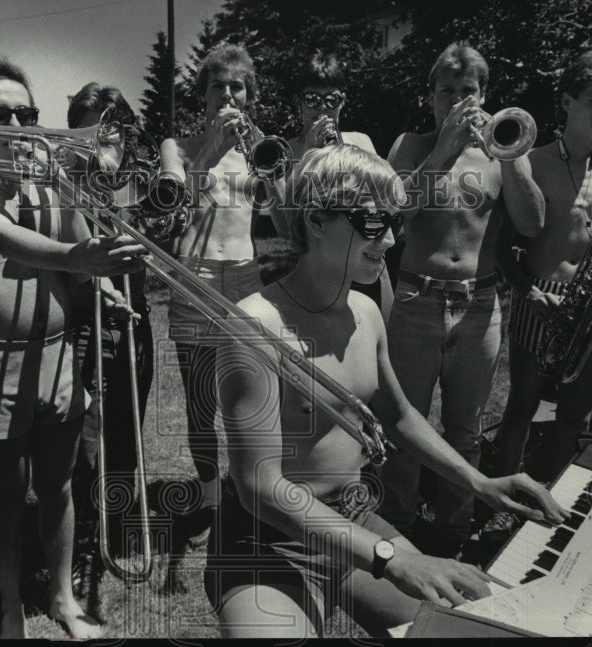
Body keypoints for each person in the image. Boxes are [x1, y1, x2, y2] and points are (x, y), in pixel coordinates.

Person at [208, 144, 567, 638]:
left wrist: (478, 482)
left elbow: (398, 415)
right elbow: (261, 490)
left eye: (393, 223)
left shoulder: (367, 312)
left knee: (482, 631)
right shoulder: (253, 326)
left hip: (352, 520)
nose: (392, 239)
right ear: (316, 220)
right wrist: (392, 558)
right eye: (375, 224)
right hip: (266, 543)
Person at [0, 59, 144, 639]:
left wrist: (98, 282)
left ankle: (64, 598)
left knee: (58, 487)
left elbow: (76, 243)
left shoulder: (49, 181)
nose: (20, 122)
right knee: (4, 497)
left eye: (28, 113)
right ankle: (11, 605)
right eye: (1, 113)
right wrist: (74, 260)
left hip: (59, 356)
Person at [379, 42, 545, 557]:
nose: (456, 100)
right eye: (446, 91)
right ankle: (398, 527)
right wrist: (444, 150)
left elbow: (532, 222)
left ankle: (452, 531)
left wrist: (510, 156)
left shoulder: (502, 152)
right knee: (402, 422)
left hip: (479, 305)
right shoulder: (411, 144)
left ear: (484, 96)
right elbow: (392, 211)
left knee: (465, 430)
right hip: (415, 298)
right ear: (430, 96)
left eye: (467, 91)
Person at [488, 49, 592, 535]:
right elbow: (500, 249)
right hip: (541, 297)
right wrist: (530, 295)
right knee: (518, 411)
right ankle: (500, 507)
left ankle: (548, 513)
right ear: (567, 101)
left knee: (574, 420)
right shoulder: (530, 162)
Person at [159, 43, 268, 544]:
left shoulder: (260, 146)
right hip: (195, 273)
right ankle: (206, 497)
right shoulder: (176, 146)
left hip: (245, 275)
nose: (227, 94)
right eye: (218, 85)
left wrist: (267, 161)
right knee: (201, 400)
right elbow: (172, 202)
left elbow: (282, 209)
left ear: (249, 95)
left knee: (251, 396)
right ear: (201, 94)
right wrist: (211, 151)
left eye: (237, 86)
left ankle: (251, 493)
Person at [65, 82, 155, 582]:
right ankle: (81, 541)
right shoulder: (61, 179)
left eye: (111, 126)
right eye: (89, 124)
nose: (101, 135)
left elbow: (168, 227)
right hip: (83, 326)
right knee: (85, 439)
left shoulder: (137, 183)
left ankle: (118, 526)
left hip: (134, 321)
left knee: (126, 430)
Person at [271, 52, 394, 323]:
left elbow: (387, 205)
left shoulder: (360, 142)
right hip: (315, 276)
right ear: (299, 103)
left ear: (343, 102)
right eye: (313, 99)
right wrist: (308, 157)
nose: (322, 109)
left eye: (332, 100)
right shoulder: (283, 152)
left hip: (365, 268)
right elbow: (286, 228)